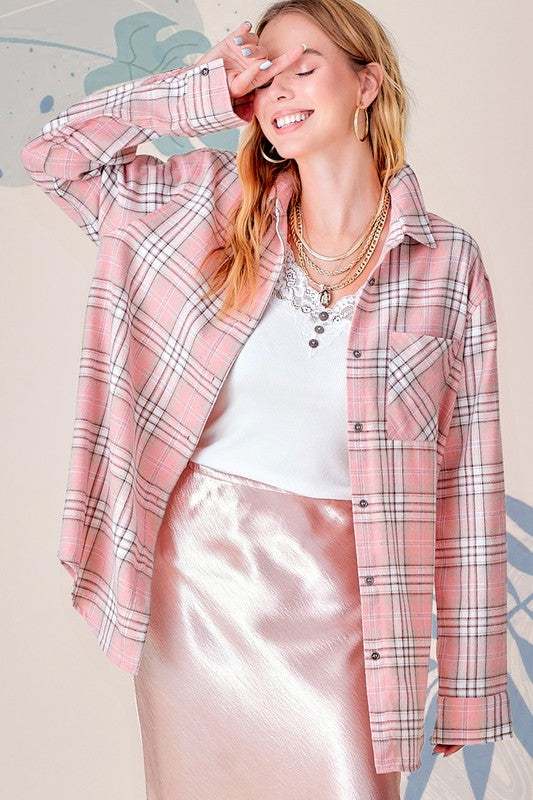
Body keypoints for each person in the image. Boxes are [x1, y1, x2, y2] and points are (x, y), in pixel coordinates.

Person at [20, 1, 513, 797]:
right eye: (262, 76)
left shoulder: (445, 262)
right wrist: (204, 90)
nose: (279, 90)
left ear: (366, 85)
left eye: (304, 67)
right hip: (198, 586)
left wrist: (466, 685)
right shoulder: (201, 206)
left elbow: (466, 478)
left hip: (350, 597)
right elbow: (52, 157)